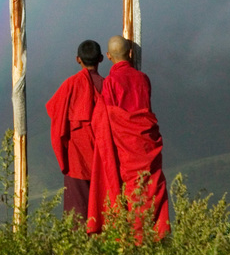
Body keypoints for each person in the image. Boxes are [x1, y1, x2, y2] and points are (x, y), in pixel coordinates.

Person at [86, 35, 170, 240]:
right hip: (146, 145)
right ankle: (155, 237)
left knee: (130, 194)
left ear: (108, 56)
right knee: (151, 187)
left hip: (125, 148)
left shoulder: (111, 82)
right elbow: (144, 112)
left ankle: (133, 240)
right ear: (130, 53)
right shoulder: (143, 79)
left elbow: (106, 120)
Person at [45, 39, 105, 221]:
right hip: (102, 155)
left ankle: (77, 247)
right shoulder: (108, 85)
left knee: (77, 212)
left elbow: (54, 112)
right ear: (101, 58)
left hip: (76, 157)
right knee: (104, 206)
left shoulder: (70, 85)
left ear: (77, 59)